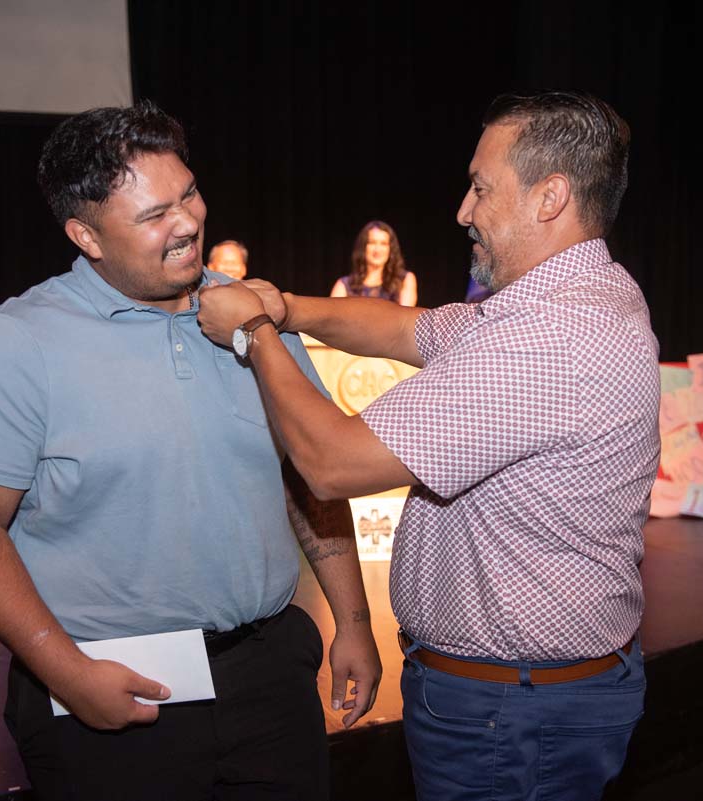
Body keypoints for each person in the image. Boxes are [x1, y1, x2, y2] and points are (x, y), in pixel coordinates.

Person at [198, 90, 658, 801]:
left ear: (550, 197)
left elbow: (331, 464)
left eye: (481, 188)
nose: (463, 211)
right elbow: (404, 328)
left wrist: (254, 333)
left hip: (509, 713)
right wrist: (286, 308)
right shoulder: (584, 293)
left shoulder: (546, 338)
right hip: (530, 696)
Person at [0, 101, 380, 801]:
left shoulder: (254, 315)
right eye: (154, 215)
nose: (189, 222)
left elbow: (309, 476)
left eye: (189, 194)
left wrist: (353, 622)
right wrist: (65, 672)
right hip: (111, 689)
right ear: (86, 235)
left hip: (269, 672)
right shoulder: (17, 344)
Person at [330, 220, 418, 306]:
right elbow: (332, 313)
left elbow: (405, 314)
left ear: (390, 249)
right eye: (372, 243)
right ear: (363, 247)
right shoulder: (344, 285)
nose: (377, 250)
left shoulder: (405, 280)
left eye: (383, 244)